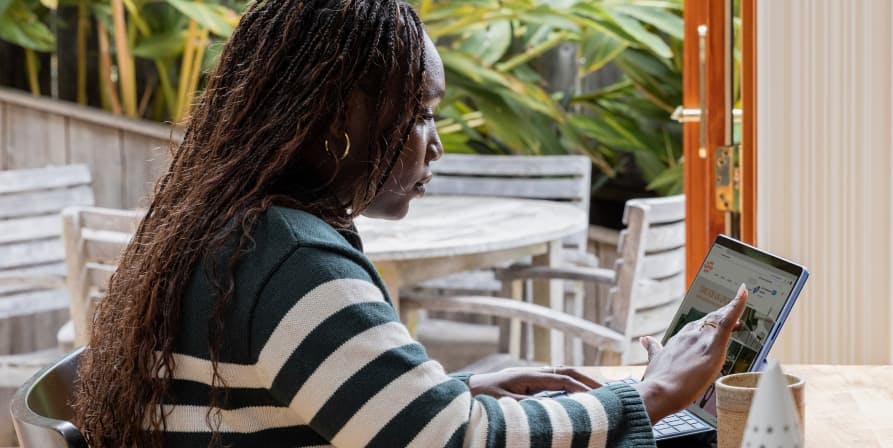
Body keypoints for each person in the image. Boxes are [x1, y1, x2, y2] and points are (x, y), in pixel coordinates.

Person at [72, 1, 750, 447]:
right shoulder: (291, 262)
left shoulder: (234, 228)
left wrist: (452, 391)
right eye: (421, 112)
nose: (436, 143)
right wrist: (654, 395)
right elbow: (450, 443)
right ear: (338, 117)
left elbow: (407, 421)